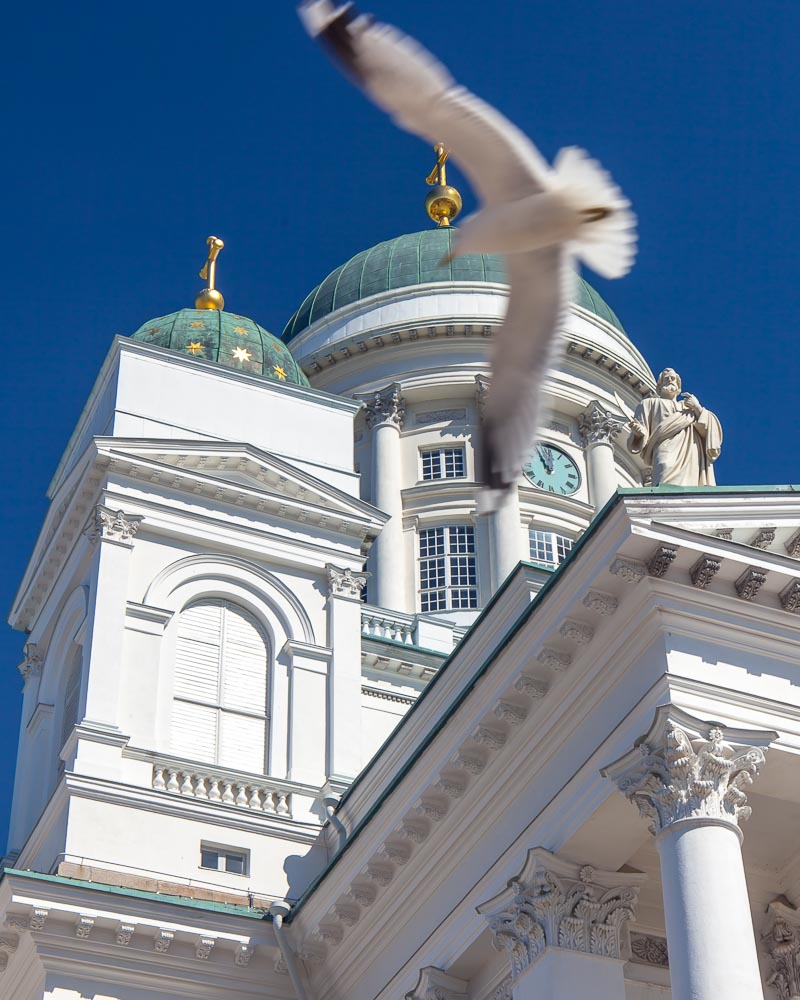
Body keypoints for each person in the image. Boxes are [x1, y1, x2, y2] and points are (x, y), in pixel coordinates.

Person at [627, 369, 722, 486]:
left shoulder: (688, 408)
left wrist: (697, 408)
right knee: (664, 465)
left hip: (689, 449)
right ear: (659, 386)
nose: (670, 380)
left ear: (679, 386)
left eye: (673, 379)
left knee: (690, 482)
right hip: (664, 446)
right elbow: (641, 430)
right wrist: (638, 434)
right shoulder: (648, 403)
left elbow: (709, 430)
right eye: (666, 379)